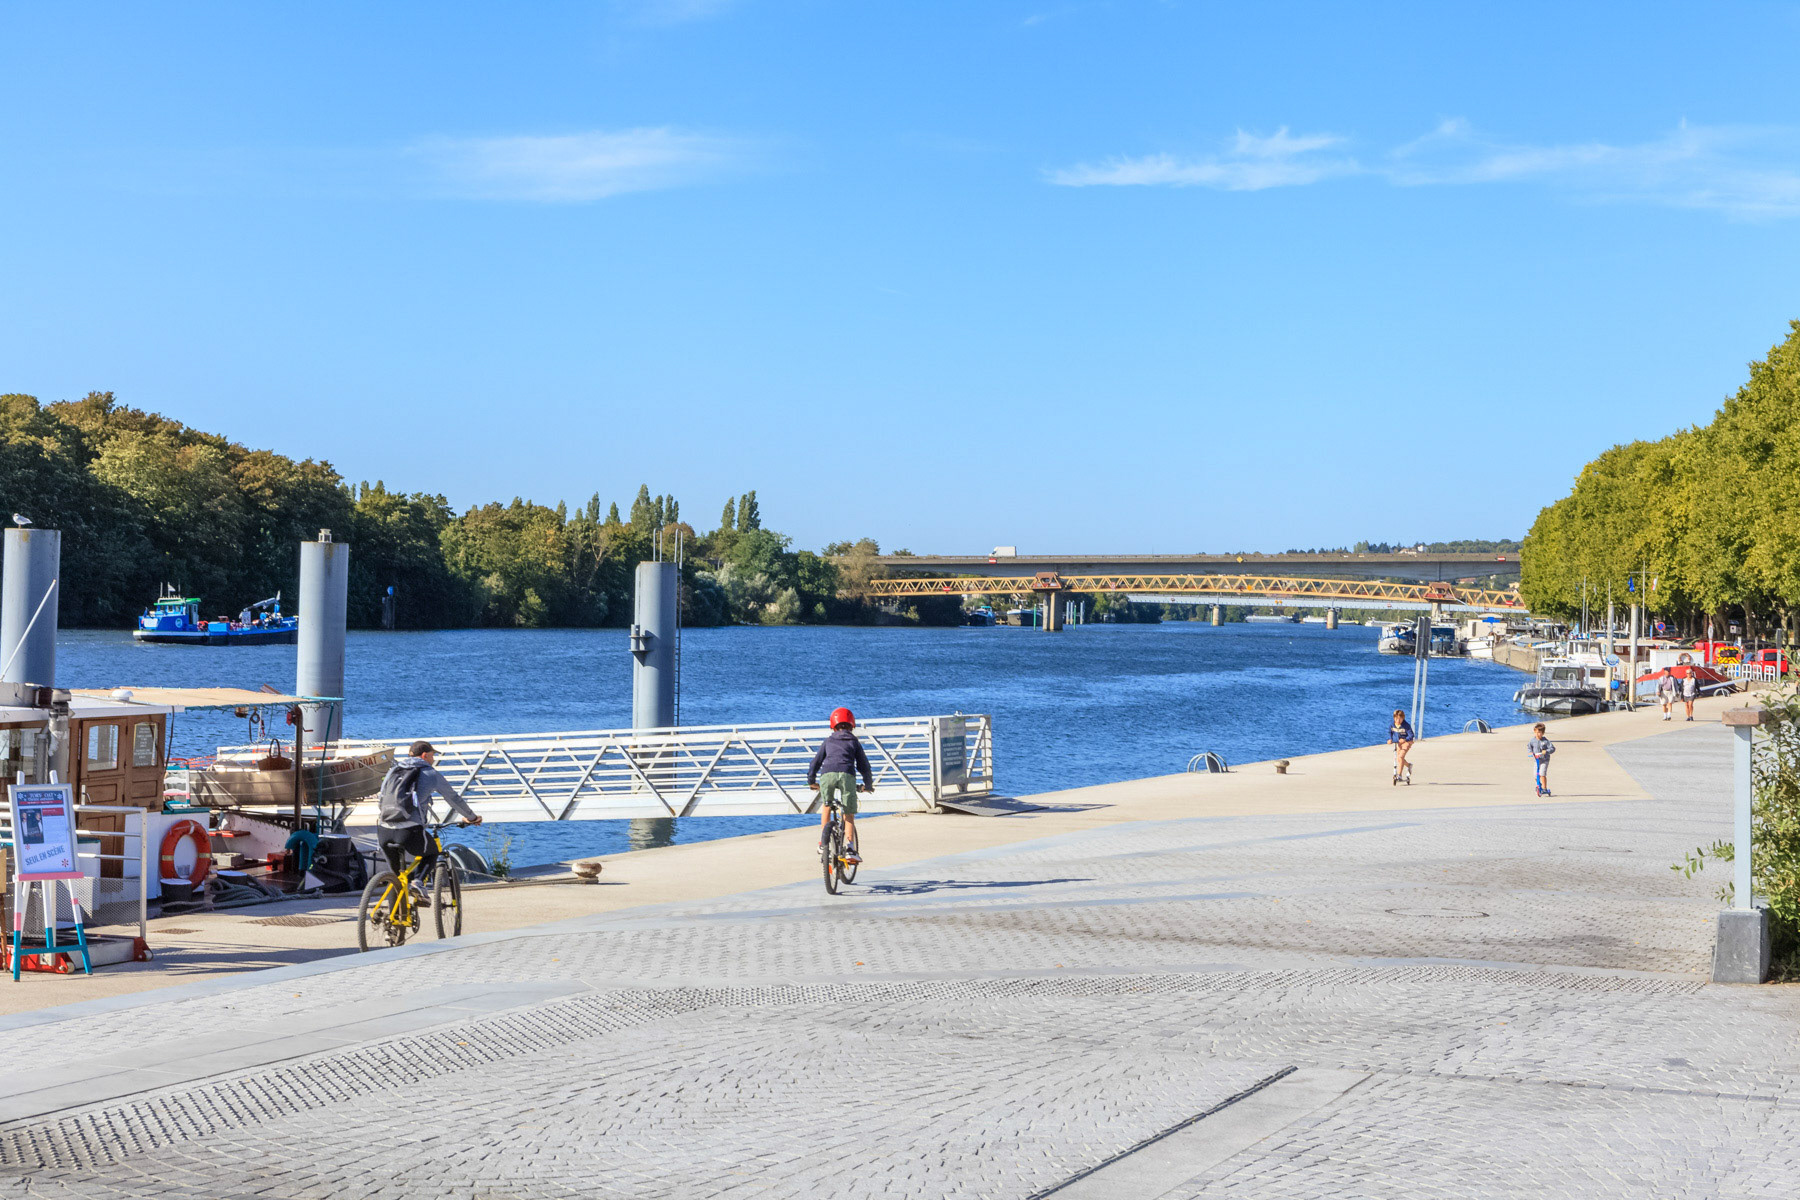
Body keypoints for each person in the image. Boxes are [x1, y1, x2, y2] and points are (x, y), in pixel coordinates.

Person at [376, 740, 481, 888]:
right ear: (424, 755)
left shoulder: (393, 771)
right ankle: (418, 883)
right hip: (409, 832)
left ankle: (398, 898)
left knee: (400, 877)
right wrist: (472, 817)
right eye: (432, 755)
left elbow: (381, 797)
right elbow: (453, 798)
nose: (433, 759)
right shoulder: (430, 773)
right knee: (432, 853)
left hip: (383, 831)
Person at [809, 707, 873, 864]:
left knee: (826, 806)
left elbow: (815, 762)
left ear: (833, 726)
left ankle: (823, 843)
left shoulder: (828, 741)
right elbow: (864, 765)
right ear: (852, 725)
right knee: (848, 811)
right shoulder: (854, 742)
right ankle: (850, 848)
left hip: (827, 775)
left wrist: (811, 781)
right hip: (847, 775)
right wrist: (868, 784)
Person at [1527, 723, 1555, 796]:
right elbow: (1529, 747)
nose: (1538, 734)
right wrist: (1530, 752)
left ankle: (1544, 788)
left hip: (1544, 760)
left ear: (1543, 733)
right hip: (1537, 760)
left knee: (1542, 773)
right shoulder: (1532, 740)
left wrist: (1546, 751)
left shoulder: (1545, 741)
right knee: (1535, 775)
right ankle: (1539, 785)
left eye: (1539, 732)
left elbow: (1552, 748)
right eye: (1536, 732)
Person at [1387, 709, 1414, 784]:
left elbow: (1411, 735)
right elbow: (1390, 732)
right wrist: (1390, 739)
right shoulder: (1392, 725)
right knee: (1399, 759)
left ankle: (1399, 775)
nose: (1398, 720)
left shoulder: (1406, 725)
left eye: (1400, 719)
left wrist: (1405, 739)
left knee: (1401, 757)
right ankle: (1409, 765)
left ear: (1403, 718)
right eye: (1396, 718)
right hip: (1398, 743)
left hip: (1406, 742)